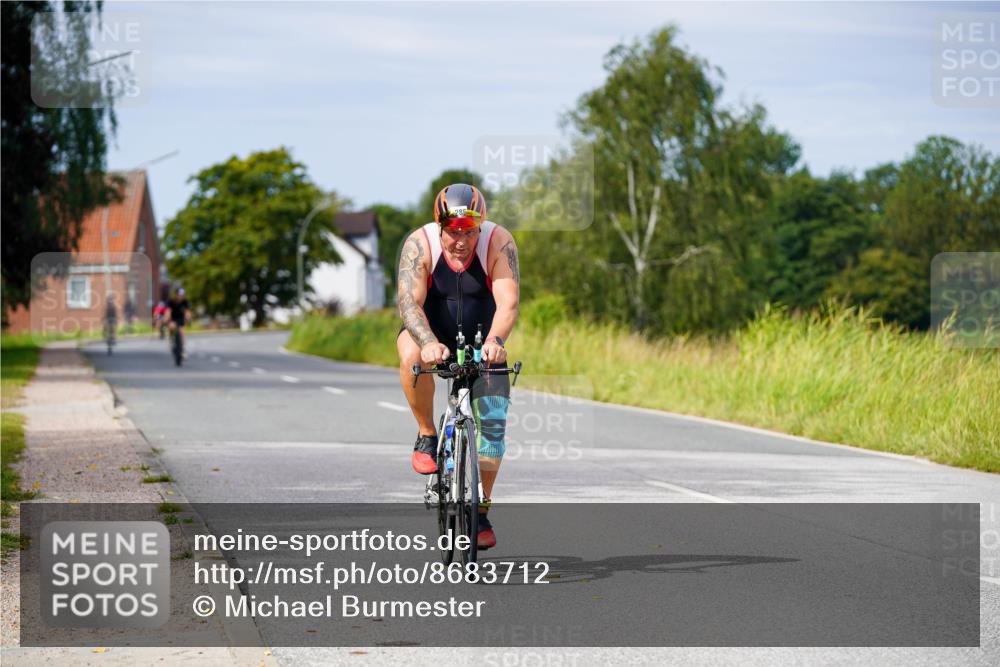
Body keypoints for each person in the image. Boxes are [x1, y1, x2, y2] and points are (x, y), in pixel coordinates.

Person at [396, 183, 519, 550]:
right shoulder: (420, 244)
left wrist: (496, 342)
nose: (461, 241)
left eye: (469, 231)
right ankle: (427, 434)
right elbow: (408, 304)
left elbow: (508, 302)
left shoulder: (499, 242)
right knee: (410, 357)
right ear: (440, 227)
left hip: (484, 338)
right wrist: (429, 341)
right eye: (453, 232)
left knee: (494, 426)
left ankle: (480, 511)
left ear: (479, 227)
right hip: (431, 332)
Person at [167, 288, 191, 354]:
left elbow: (187, 311)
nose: (181, 296)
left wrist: (188, 318)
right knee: (171, 327)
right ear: (176, 295)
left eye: (182, 295)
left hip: (181, 319)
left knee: (182, 332)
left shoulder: (185, 302)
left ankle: (182, 350)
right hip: (173, 318)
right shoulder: (171, 301)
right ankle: (171, 341)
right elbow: (168, 311)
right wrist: (167, 319)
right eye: (179, 295)